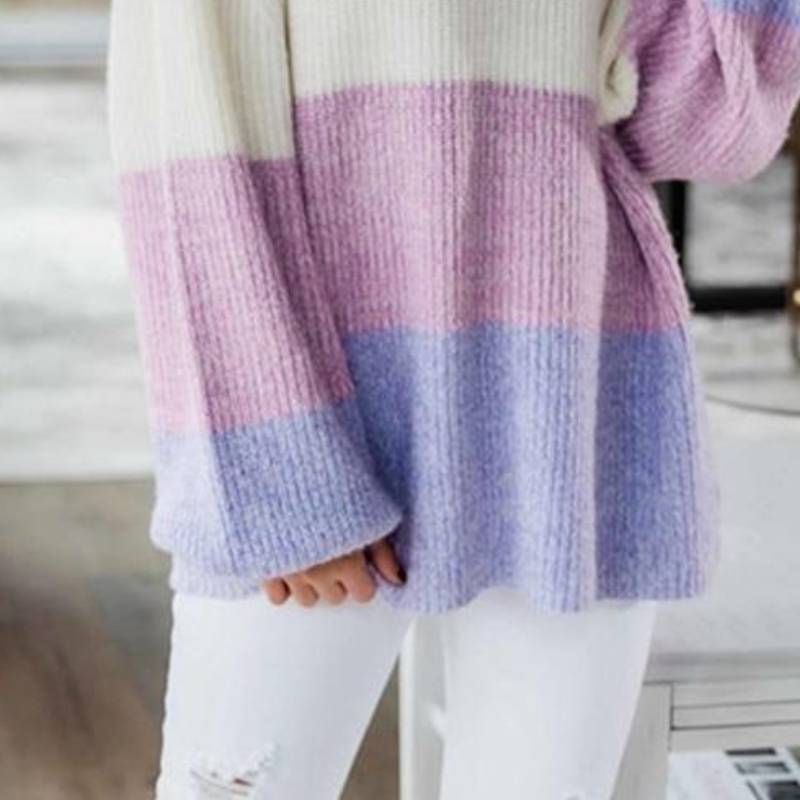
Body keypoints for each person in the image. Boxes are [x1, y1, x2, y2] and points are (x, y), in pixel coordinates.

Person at [105, 1, 800, 797]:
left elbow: (707, 124)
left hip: (571, 413)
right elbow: (186, 127)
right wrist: (277, 475)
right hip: (315, 414)